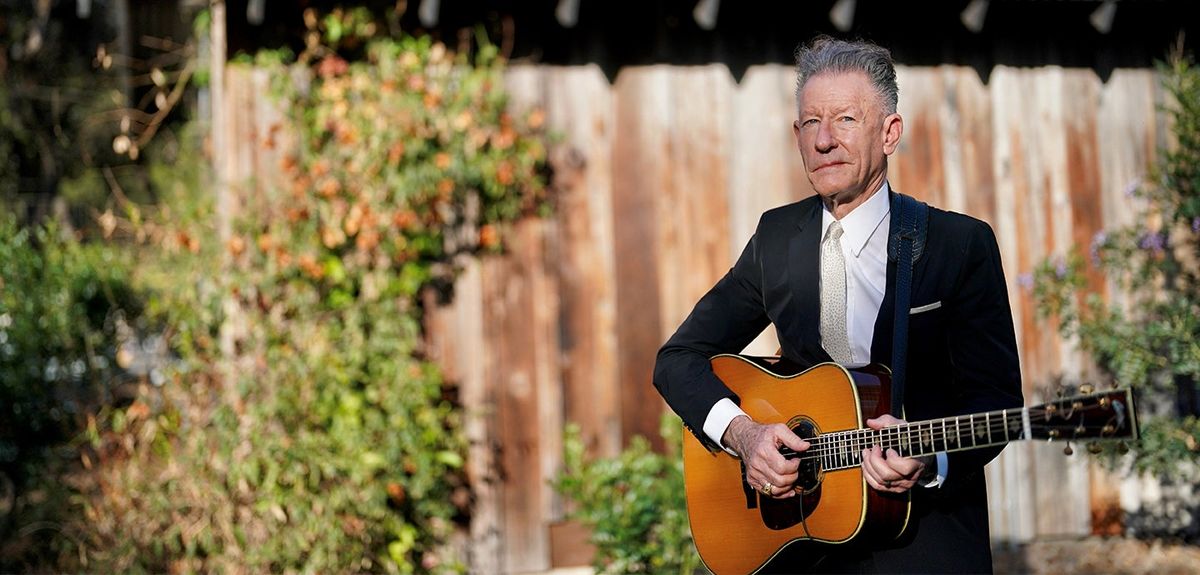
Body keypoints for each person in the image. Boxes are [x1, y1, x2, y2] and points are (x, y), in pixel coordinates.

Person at [653, 36, 1023, 573]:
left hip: (924, 545)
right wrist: (745, 434)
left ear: (889, 133)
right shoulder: (776, 238)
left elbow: (998, 403)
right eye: (810, 124)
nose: (824, 140)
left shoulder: (957, 244)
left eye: (846, 120)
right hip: (801, 544)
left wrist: (932, 458)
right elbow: (678, 359)